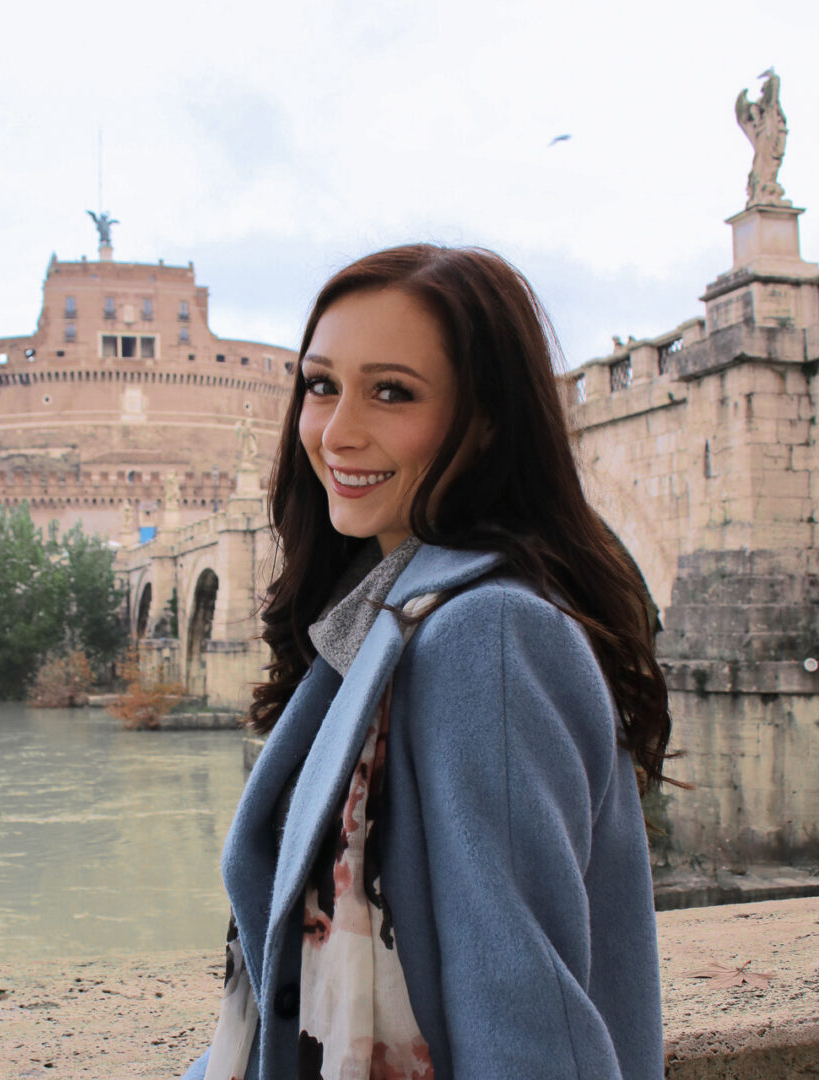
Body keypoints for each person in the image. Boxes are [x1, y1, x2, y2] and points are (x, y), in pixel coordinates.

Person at [181, 245, 670, 1080]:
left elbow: (527, 1032)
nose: (336, 432)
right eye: (322, 384)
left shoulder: (492, 635)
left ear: (483, 423)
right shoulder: (389, 612)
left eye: (392, 392)